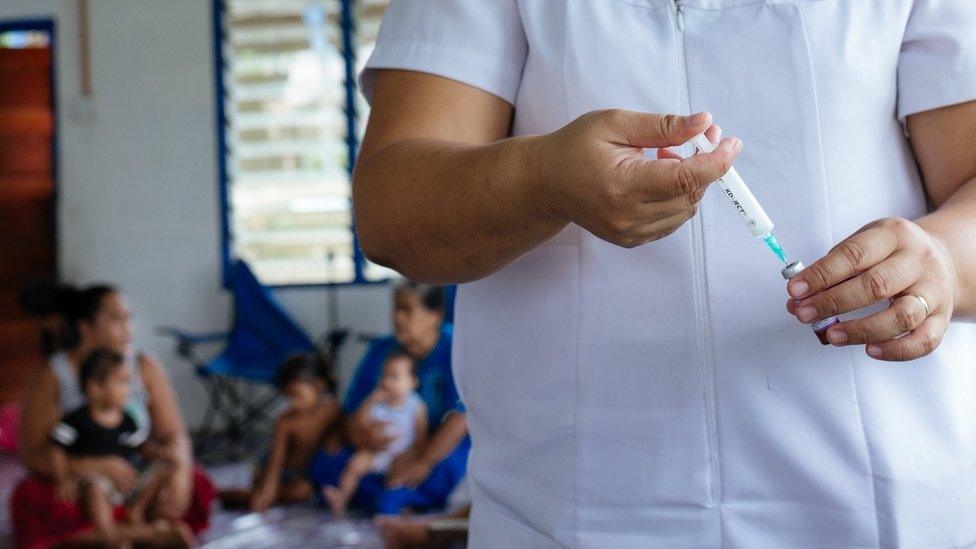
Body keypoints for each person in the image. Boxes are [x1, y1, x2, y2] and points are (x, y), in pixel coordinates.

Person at [352, 1, 976, 546]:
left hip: (879, 503)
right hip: (576, 507)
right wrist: (540, 182)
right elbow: (391, 214)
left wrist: (943, 259)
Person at [13, 284, 215, 548]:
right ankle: (143, 534)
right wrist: (93, 466)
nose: (129, 328)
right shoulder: (52, 376)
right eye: (117, 319)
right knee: (36, 498)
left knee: (191, 482)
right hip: (85, 481)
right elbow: (34, 455)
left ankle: (118, 529)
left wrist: (179, 470)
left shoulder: (144, 365)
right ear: (86, 327)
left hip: (133, 478)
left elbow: (172, 433)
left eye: (129, 318)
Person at [309, 282, 468, 516]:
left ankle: (383, 494)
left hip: (432, 443)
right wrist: (361, 436)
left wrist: (421, 460)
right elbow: (352, 409)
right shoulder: (381, 349)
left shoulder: (457, 347)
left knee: (445, 469)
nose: (398, 318)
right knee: (327, 460)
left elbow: (460, 417)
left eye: (407, 310)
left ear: (435, 315)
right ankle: (394, 497)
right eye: (395, 309)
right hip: (377, 449)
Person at [49, 348, 192, 546]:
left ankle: (137, 509)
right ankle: (109, 531)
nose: (129, 389)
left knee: (163, 465)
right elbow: (56, 447)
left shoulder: (126, 420)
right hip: (98, 479)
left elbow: (139, 446)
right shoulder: (76, 420)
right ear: (95, 387)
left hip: (127, 481)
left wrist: (160, 453)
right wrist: (63, 479)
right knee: (94, 487)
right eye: (122, 382)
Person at [218, 353, 340, 512]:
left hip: (309, 474)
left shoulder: (332, 410)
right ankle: (227, 494)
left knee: (304, 490)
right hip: (279, 470)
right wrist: (267, 493)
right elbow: (276, 460)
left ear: (320, 385)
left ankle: (247, 496)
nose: (294, 403)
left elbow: (342, 429)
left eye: (298, 396)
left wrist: (335, 437)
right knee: (294, 492)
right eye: (289, 397)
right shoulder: (286, 421)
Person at [322, 350, 428, 517]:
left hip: (401, 454)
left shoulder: (415, 405)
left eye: (395, 376)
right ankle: (342, 497)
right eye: (384, 375)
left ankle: (398, 507)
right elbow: (361, 422)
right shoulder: (377, 402)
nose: (387, 381)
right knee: (355, 464)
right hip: (376, 452)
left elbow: (421, 434)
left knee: (399, 477)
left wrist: (416, 454)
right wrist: (370, 401)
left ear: (412, 382)